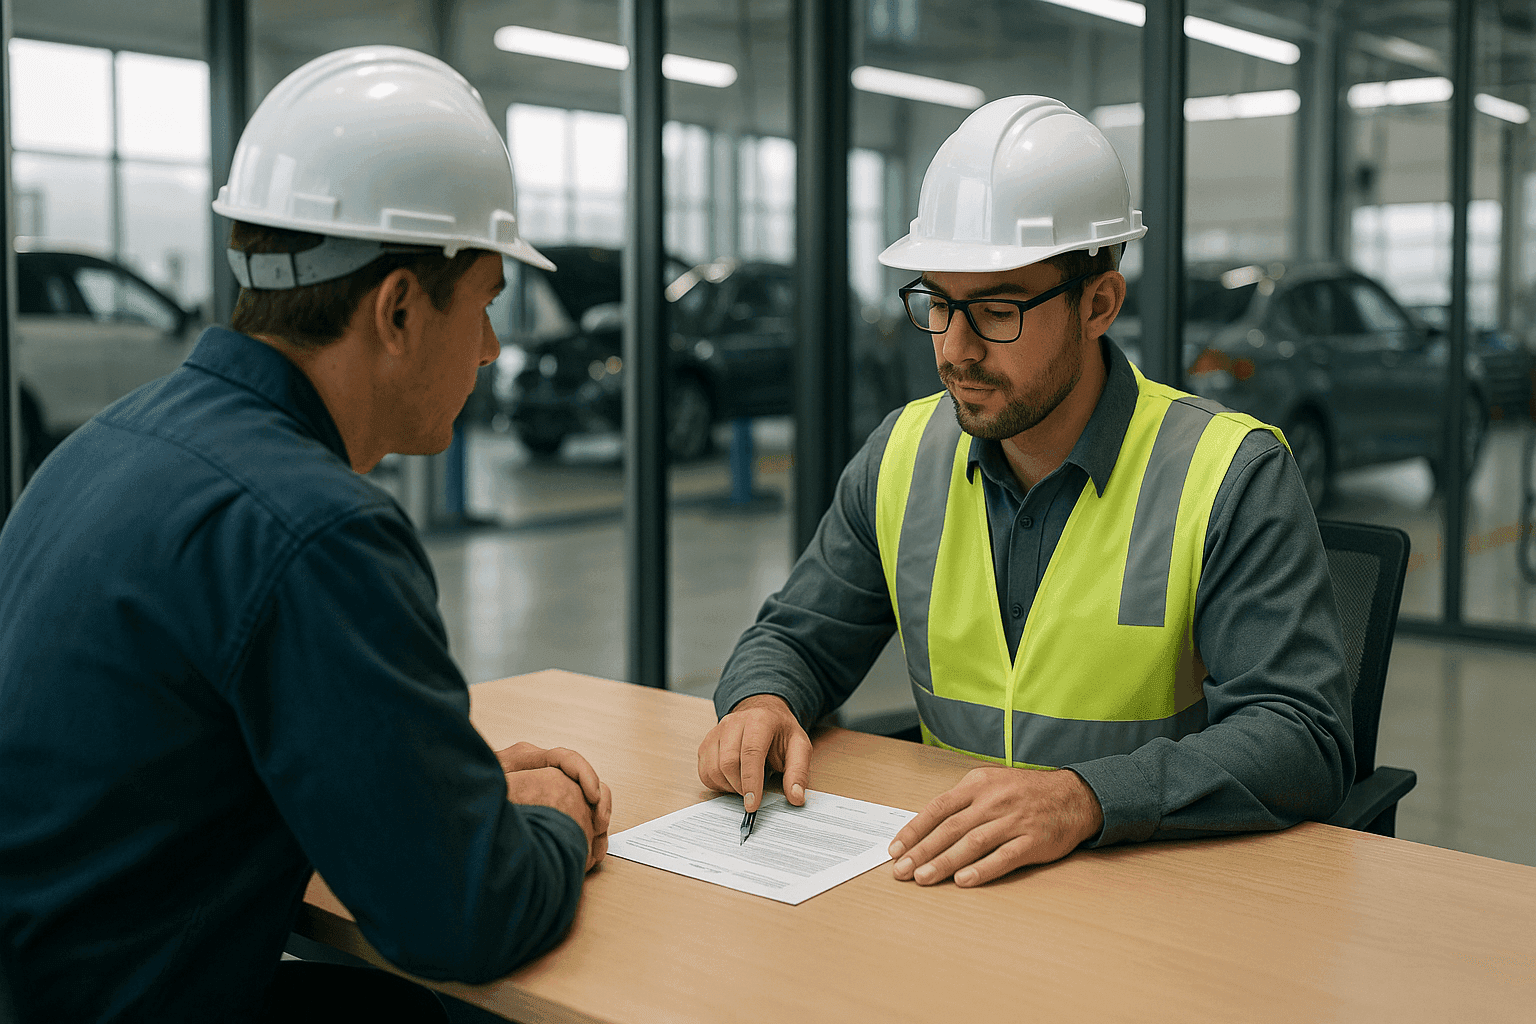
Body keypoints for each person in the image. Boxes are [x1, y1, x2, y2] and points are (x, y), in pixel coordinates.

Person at [0, 47, 610, 1022]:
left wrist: (430, 794)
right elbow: (468, 915)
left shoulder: (107, 446)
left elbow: (176, 771)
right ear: (399, 309)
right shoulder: (315, 528)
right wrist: (554, 822)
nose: (492, 349)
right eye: (486, 304)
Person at [697, 95, 1354, 888]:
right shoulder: (902, 455)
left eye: (996, 310)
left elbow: (1301, 734)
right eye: (939, 303)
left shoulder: (1228, 474)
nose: (955, 349)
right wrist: (762, 702)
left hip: (1151, 891)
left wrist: (1086, 799)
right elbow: (797, 638)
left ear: (1098, 305)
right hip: (958, 882)